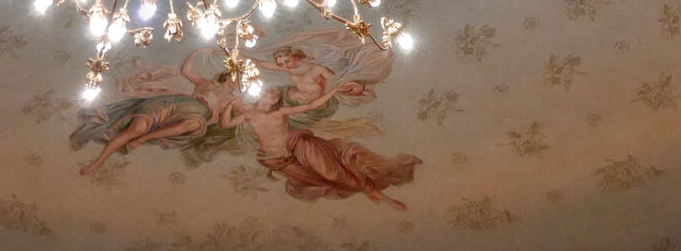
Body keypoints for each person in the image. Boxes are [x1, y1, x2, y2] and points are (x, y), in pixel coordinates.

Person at [219, 86, 421, 208]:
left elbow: (311, 106)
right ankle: (370, 190)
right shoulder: (250, 115)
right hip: (277, 161)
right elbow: (225, 125)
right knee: (319, 181)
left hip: (298, 146)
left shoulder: (281, 112)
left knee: (332, 174)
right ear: (259, 94)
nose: (274, 94)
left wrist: (333, 91)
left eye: (277, 94)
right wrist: (230, 104)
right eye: (270, 92)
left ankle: (380, 195)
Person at [72, 48, 242, 175]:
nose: (240, 82)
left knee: (194, 125)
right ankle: (98, 161)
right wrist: (197, 51)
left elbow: (225, 124)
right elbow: (186, 71)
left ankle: (146, 138)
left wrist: (236, 112)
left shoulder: (230, 101)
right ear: (229, 76)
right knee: (135, 130)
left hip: (196, 116)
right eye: (238, 77)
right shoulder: (207, 84)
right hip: (173, 105)